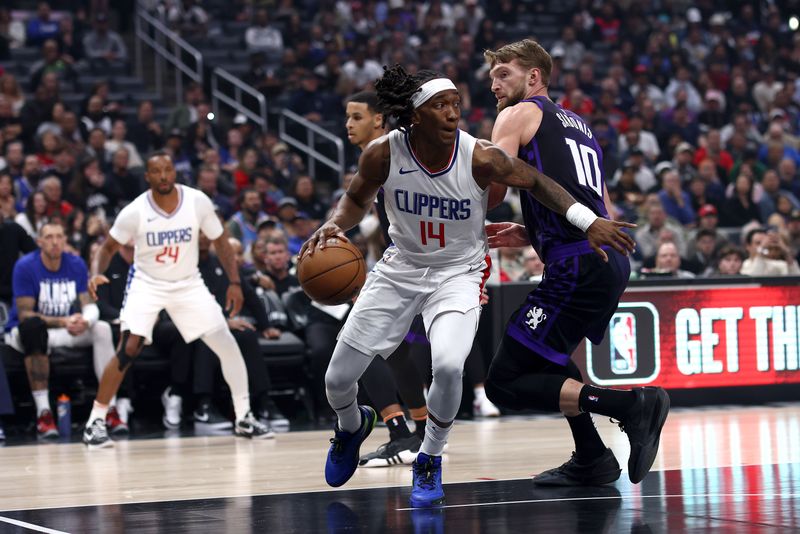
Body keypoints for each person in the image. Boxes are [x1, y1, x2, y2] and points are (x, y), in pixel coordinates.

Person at [301, 65, 634, 507]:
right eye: (441, 105)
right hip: (400, 268)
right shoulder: (382, 153)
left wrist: (588, 220)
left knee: (451, 365)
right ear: (415, 115)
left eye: (456, 103)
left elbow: (538, 182)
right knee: (337, 379)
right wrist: (334, 225)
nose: (454, 113)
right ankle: (350, 427)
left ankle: (429, 457)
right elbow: (357, 200)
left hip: (458, 273)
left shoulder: (481, 156)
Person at [481, 39, 670, 489]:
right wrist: (536, 233)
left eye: (502, 73)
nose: (493, 85)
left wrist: (450, 216)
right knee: (548, 359)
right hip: (603, 257)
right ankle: (591, 458)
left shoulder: (517, 114)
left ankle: (632, 408)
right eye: (490, 77)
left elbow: (492, 188)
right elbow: (594, 201)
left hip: (577, 263)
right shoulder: (580, 126)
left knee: (504, 383)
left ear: (533, 77)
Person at [81, 152, 272, 448]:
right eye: (156, 171)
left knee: (226, 342)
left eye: (168, 170)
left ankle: (244, 416)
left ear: (174, 172)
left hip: (188, 283)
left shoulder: (197, 202)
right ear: (148, 177)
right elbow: (106, 249)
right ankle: (95, 421)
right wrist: (95, 274)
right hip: (147, 283)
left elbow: (221, 241)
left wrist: (235, 282)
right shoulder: (134, 211)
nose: (163, 176)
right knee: (128, 347)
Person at [4, 221, 120, 440]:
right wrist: (64, 321)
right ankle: (44, 414)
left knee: (102, 328)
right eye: (49, 237)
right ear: (39, 242)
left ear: (66, 240)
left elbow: (88, 304)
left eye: (59, 237)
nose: (55, 242)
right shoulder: (26, 266)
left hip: (64, 330)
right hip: (28, 335)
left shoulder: (75, 263)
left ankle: (109, 409)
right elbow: (25, 314)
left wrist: (85, 321)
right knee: (33, 328)